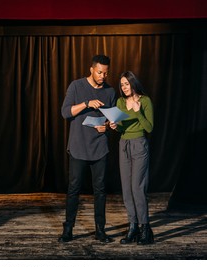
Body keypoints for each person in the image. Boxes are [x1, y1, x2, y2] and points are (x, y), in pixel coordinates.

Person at [59, 54, 116, 243]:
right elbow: (65, 112)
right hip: (78, 146)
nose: (103, 76)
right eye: (99, 72)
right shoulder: (76, 86)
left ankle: (100, 230)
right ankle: (68, 230)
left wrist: (106, 126)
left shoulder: (110, 91)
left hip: (99, 146)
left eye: (106, 73)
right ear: (91, 69)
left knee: (100, 190)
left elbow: (111, 118)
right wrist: (86, 103)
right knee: (74, 188)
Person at [109, 71, 154, 245]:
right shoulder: (120, 102)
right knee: (126, 190)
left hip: (139, 144)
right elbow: (121, 127)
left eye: (126, 84)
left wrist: (138, 111)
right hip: (124, 145)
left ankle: (145, 229)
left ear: (133, 83)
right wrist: (115, 126)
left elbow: (149, 128)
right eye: (121, 85)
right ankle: (133, 226)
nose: (124, 87)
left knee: (137, 188)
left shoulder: (145, 101)